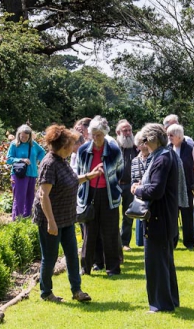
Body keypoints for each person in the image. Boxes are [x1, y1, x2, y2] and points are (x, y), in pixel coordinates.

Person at [33, 124, 102, 303]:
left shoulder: (62, 161)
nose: (74, 147)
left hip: (67, 217)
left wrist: (89, 176)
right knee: (50, 257)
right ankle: (46, 293)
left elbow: (70, 180)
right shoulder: (49, 164)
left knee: (72, 254)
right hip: (51, 218)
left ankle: (77, 291)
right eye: (72, 144)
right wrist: (51, 222)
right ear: (63, 146)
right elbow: (44, 196)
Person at [131, 123, 179, 313]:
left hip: (158, 217)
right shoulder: (166, 155)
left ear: (151, 139)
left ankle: (161, 305)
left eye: (143, 140)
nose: (141, 145)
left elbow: (156, 190)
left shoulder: (161, 159)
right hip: (164, 215)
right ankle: (170, 300)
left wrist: (137, 189)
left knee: (156, 263)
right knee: (165, 261)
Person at [77, 116, 124, 277]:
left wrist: (110, 182)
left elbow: (120, 172)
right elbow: (80, 173)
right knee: (90, 231)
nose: (96, 138)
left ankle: (113, 268)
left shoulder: (113, 150)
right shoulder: (83, 150)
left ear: (104, 134)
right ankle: (86, 267)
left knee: (110, 231)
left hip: (109, 194)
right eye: (93, 135)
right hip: (90, 193)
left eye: (99, 135)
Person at [163, 114, 194, 240]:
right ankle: (173, 240)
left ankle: (189, 240)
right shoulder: (167, 148)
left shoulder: (189, 147)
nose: (169, 138)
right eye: (168, 135)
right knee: (172, 215)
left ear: (179, 136)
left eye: (171, 135)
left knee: (187, 214)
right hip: (172, 187)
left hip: (188, 187)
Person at [7, 124, 46, 221]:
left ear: (29, 136)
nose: (23, 138)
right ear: (18, 134)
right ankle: (17, 220)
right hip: (19, 174)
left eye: (26, 137)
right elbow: (8, 159)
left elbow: (42, 152)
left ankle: (27, 217)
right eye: (22, 136)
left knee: (30, 197)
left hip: (32, 173)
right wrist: (21, 160)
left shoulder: (33, 144)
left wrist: (38, 160)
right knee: (19, 198)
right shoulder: (14, 144)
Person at [116, 120, 139, 251]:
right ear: (118, 132)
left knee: (128, 215)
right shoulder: (113, 146)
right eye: (125, 130)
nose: (128, 133)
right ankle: (114, 242)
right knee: (113, 214)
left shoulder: (135, 147)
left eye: (129, 130)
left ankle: (125, 243)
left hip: (130, 185)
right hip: (116, 185)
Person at [130, 131, 150, 247]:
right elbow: (133, 178)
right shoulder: (135, 161)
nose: (144, 145)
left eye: (145, 142)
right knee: (139, 215)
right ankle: (140, 241)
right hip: (138, 194)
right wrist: (133, 187)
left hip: (149, 191)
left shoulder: (154, 158)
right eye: (141, 143)